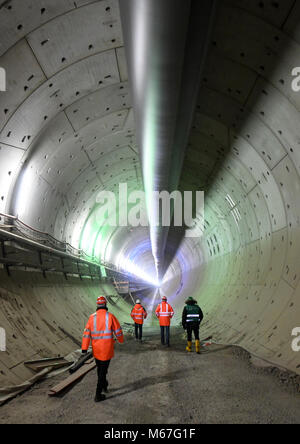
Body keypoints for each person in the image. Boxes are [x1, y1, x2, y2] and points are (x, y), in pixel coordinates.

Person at [82, 296, 124, 402]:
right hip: (106, 349)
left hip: (96, 350)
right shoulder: (110, 316)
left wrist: (84, 348)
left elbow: (86, 334)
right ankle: (98, 394)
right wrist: (121, 340)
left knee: (100, 369)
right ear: (105, 304)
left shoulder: (92, 317)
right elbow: (118, 331)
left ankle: (104, 385)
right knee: (102, 372)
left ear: (97, 305)